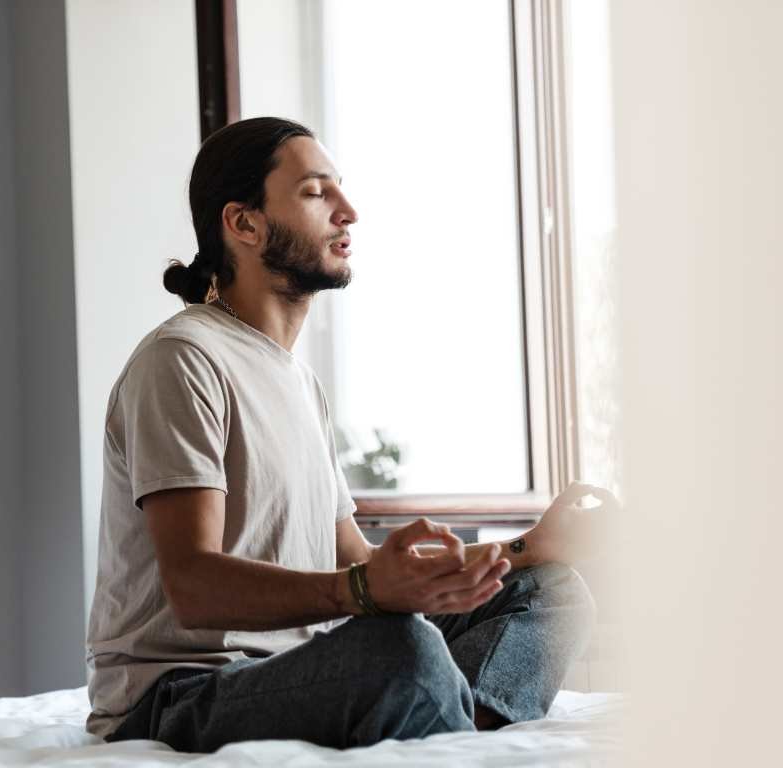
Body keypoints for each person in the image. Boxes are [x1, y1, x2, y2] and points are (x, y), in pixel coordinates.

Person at [85, 116, 596, 752]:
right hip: (180, 694)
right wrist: (358, 595)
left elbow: (353, 557)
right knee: (404, 650)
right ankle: (450, 714)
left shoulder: (300, 382)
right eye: (315, 192)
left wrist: (526, 549)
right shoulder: (183, 358)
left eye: (340, 190)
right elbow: (194, 587)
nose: (347, 211)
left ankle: (459, 724)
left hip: (292, 670)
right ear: (243, 223)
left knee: (549, 592)